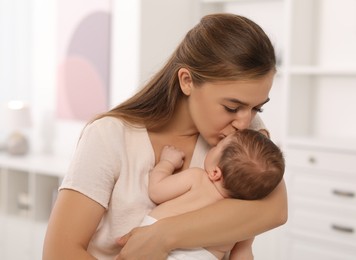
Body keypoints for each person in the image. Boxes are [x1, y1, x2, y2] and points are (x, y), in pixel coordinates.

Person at [43, 13, 287, 260]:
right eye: (232, 108)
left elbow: (276, 210)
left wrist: (164, 235)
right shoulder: (110, 136)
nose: (245, 122)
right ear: (187, 81)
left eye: (258, 107)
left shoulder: (244, 139)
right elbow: (58, 253)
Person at [142, 129, 285, 259]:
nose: (213, 146)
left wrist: (167, 163)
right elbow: (242, 255)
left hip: (153, 245)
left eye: (218, 146)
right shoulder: (243, 220)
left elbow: (156, 191)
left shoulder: (197, 179)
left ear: (215, 173)